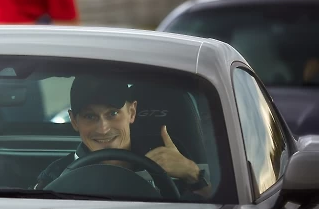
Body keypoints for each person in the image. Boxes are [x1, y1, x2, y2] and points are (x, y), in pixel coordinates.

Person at [34, 77, 212, 198]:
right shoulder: (55, 175)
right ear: (74, 121)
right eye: (90, 116)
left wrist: (192, 174)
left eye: (112, 113)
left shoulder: (173, 157)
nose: (103, 129)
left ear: (132, 112)